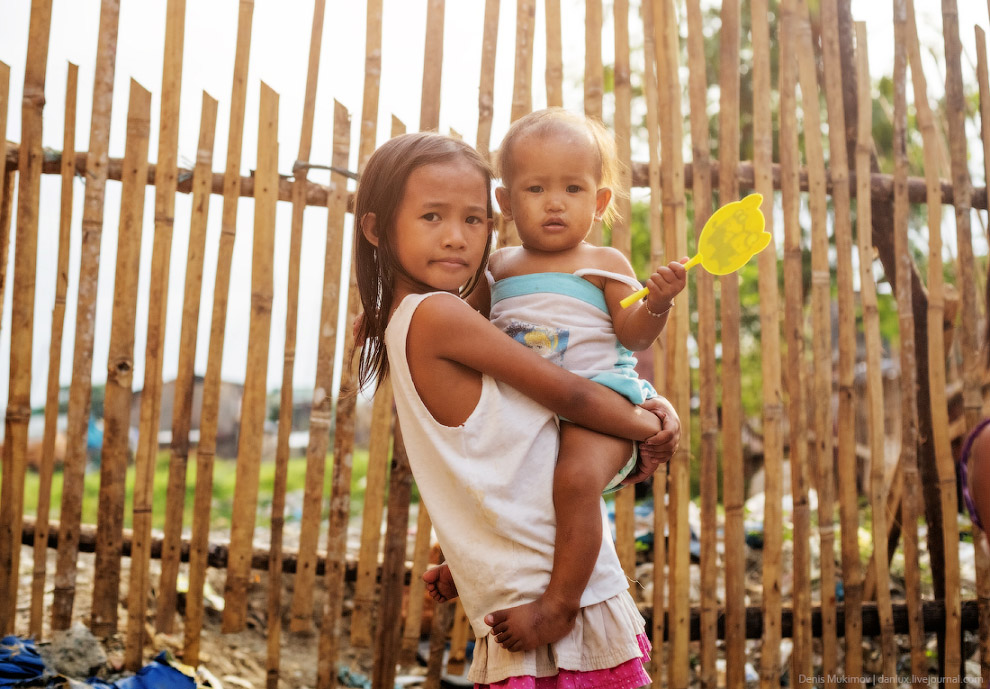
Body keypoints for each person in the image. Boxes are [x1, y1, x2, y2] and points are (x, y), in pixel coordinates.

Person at [354, 131, 679, 688]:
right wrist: (651, 422)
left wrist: (466, 561)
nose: (457, 238)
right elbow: (567, 397)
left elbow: (506, 450)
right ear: (377, 229)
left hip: (527, 585)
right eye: (432, 216)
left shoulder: (415, 319)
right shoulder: (442, 317)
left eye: (473, 220)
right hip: (544, 602)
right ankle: (562, 603)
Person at [423, 108, 688, 652]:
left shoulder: (602, 261)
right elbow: (453, 317)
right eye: (536, 188)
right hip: (525, 411)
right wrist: (385, 316)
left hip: (600, 405)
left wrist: (656, 304)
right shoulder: (497, 268)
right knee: (490, 483)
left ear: (599, 202)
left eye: (572, 188)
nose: (554, 202)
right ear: (506, 202)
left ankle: (559, 607)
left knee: (571, 484)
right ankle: (466, 564)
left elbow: (633, 336)